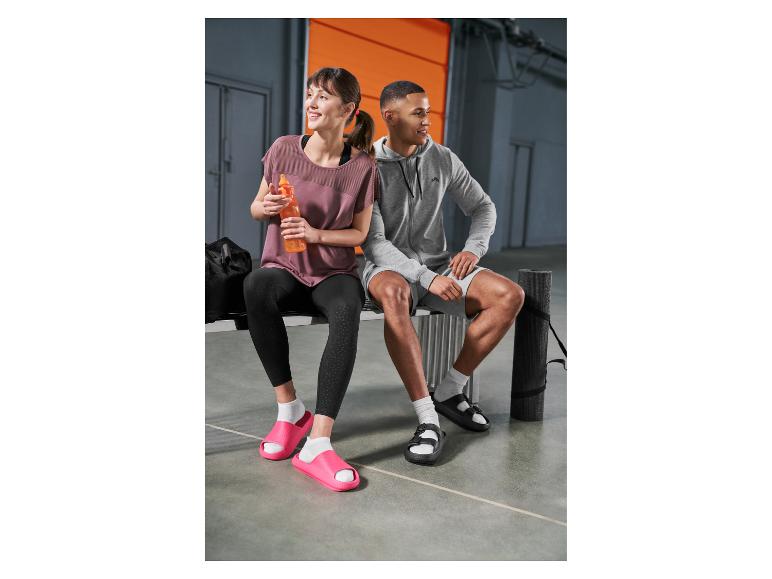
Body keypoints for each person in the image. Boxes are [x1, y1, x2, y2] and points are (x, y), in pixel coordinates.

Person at [362, 80, 525, 466]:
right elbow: (375, 243)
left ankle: (450, 391)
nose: (426, 120)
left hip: (438, 265)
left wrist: (472, 248)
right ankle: (428, 419)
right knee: (396, 295)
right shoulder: (365, 164)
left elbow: (483, 208)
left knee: (509, 296)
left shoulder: (442, 158)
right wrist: (423, 276)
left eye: (428, 111)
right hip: (389, 268)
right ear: (391, 116)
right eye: (418, 112)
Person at [243, 67, 378, 491]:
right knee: (255, 286)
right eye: (310, 95)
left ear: (349, 109)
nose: (312, 103)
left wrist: (315, 233)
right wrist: (270, 208)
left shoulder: (362, 168)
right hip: (284, 266)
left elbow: (358, 234)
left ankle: (318, 441)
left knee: (346, 309)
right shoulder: (284, 148)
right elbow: (255, 207)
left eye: (323, 96)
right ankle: (289, 411)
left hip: (333, 271)